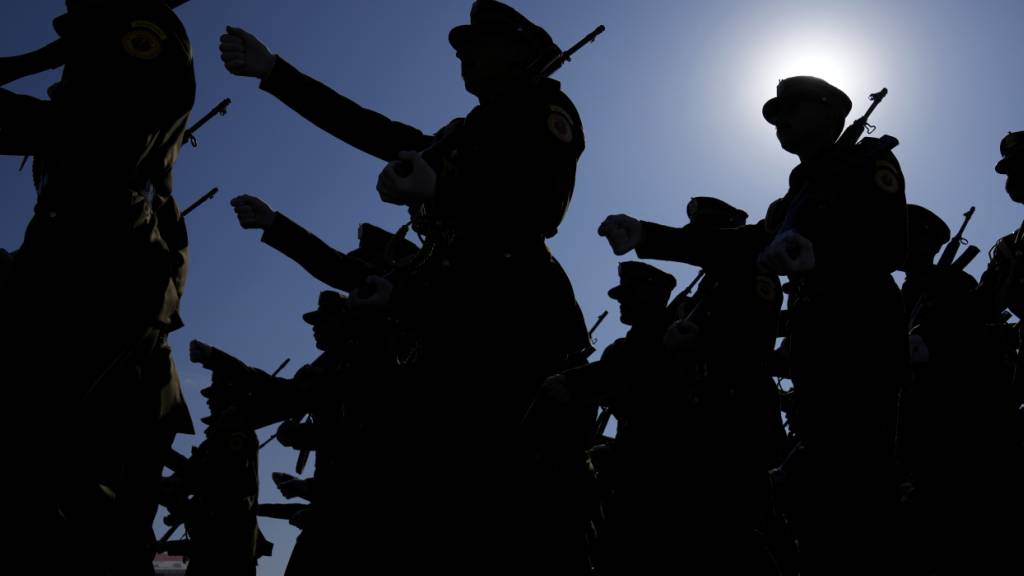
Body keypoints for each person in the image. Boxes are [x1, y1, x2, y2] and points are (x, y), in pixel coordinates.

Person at [221, 1, 591, 571]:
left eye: (477, 47)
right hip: (451, 326)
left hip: (513, 324)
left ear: (519, 51)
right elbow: (376, 130)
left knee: (510, 509)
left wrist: (441, 192)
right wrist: (277, 74)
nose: (464, 59)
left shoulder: (544, 109)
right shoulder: (465, 131)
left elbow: (538, 213)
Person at [600, 76, 908, 575]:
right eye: (775, 117)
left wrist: (821, 256)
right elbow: (741, 247)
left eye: (792, 111)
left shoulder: (867, 161)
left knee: (862, 487)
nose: (780, 123)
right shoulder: (795, 193)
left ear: (831, 113)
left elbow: (892, 244)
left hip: (860, 337)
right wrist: (649, 236)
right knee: (820, 498)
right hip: (817, 346)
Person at [0, 2, 196, 573]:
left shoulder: (144, 30)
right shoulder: (96, 41)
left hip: (98, 274)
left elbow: (105, 140)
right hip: (73, 261)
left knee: (58, 474)